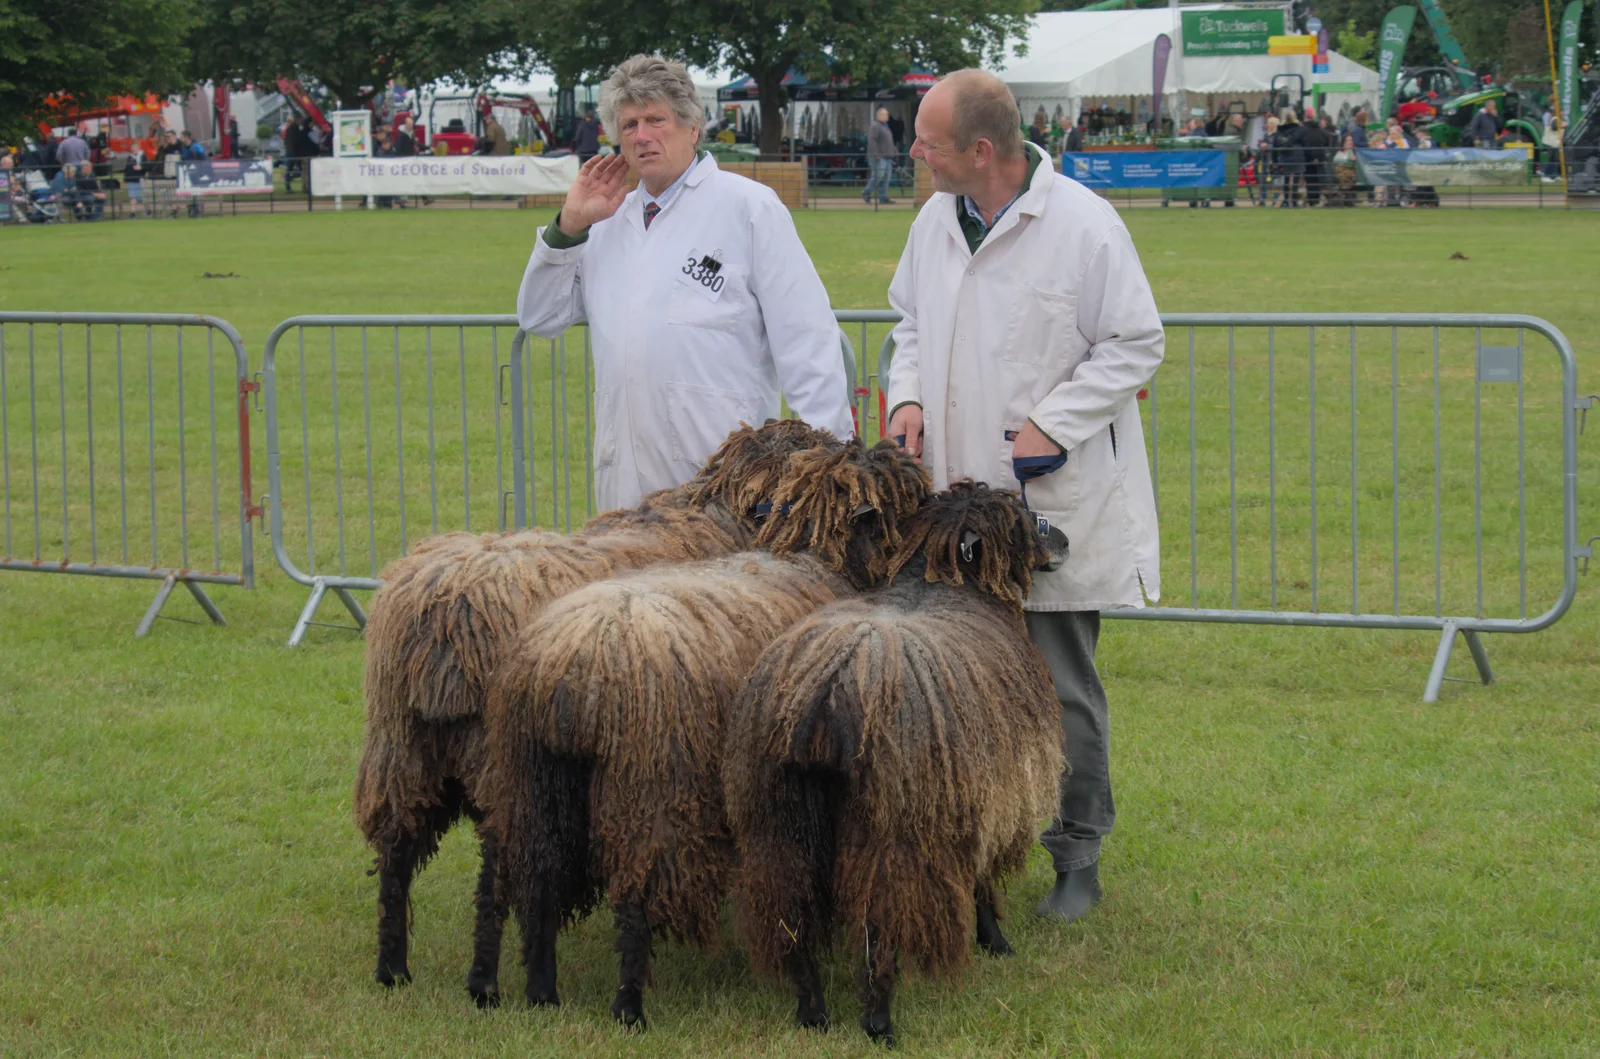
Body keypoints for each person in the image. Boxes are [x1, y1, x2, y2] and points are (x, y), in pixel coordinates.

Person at [884, 69, 1162, 925]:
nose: (914, 152)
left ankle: (1077, 853)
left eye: (926, 139)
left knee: (1059, 686)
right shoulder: (936, 220)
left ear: (980, 149)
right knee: (955, 676)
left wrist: (1054, 421)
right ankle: (967, 844)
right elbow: (911, 324)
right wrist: (907, 396)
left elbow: (1135, 341)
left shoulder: (1082, 224)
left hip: (1049, 503)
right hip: (954, 505)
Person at [516, 54, 855, 512]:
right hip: (625, 486)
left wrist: (830, 467)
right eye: (630, 124)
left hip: (725, 484)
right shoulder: (605, 222)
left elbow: (806, 340)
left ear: (692, 127)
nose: (642, 136)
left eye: (656, 119)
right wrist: (568, 227)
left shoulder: (749, 208)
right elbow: (539, 317)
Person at [863, 106, 896, 205]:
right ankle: (866, 192)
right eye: (884, 114)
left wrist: (894, 150)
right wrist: (876, 155)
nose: (886, 116)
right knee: (878, 175)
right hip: (879, 156)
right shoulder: (875, 126)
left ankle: (883, 197)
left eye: (886, 114)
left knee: (886, 177)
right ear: (878, 115)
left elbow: (888, 141)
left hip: (887, 156)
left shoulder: (885, 127)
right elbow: (872, 141)